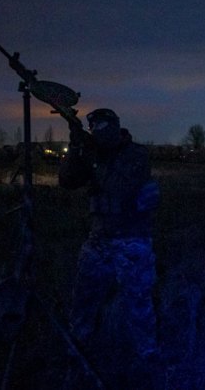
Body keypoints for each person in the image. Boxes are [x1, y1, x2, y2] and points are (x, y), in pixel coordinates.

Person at [59, 108, 161, 389]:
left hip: (132, 240)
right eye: (94, 128)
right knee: (83, 304)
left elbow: (119, 188)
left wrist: (92, 156)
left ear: (116, 128)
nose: (98, 132)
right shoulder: (94, 154)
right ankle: (78, 355)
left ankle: (147, 360)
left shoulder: (136, 155)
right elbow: (67, 181)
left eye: (103, 127)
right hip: (99, 240)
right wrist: (76, 148)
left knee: (138, 306)